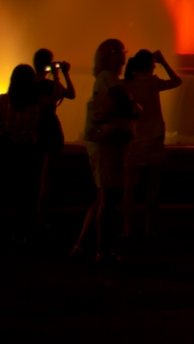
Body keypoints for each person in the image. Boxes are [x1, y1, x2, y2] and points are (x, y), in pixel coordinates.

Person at [74, 39, 136, 262]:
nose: (123, 56)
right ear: (107, 55)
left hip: (104, 142)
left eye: (123, 51)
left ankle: (82, 246)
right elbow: (124, 107)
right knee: (109, 197)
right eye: (119, 51)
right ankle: (103, 251)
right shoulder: (109, 79)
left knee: (103, 196)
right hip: (108, 144)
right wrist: (135, 108)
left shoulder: (104, 79)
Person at [120, 49, 181, 240]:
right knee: (152, 188)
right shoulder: (152, 82)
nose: (155, 66)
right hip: (154, 138)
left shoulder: (125, 84)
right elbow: (177, 81)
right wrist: (163, 61)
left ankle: (128, 229)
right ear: (147, 65)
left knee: (129, 188)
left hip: (133, 140)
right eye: (153, 64)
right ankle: (151, 228)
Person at [0, 63, 44, 242]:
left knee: (0, 193)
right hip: (27, 153)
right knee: (24, 196)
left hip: (6, 152)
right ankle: (20, 232)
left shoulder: (3, 100)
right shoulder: (36, 104)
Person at [32, 48, 76, 226]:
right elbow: (70, 95)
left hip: (32, 129)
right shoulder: (52, 85)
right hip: (50, 128)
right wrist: (62, 75)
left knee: (33, 173)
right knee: (46, 176)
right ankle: (40, 213)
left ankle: (30, 211)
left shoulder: (27, 83)